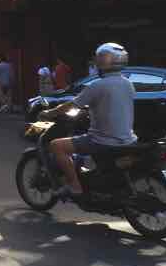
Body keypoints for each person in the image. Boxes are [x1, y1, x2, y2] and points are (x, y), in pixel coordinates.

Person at [50, 43, 137, 197]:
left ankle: (75, 186)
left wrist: (50, 113)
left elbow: (72, 104)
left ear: (103, 61)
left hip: (102, 141)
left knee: (56, 146)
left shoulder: (97, 86)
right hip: (128, 140)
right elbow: (112, 105)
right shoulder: (128, 84)